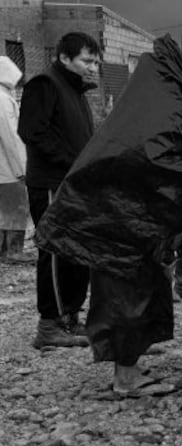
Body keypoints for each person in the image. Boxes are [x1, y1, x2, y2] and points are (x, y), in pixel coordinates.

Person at [35, 36, 182, 394]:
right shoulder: (169, 98)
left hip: (129, 211)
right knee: (124, 290)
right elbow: (161, 157)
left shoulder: (168, 91)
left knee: (141, 285)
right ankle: (125, 378)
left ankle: (130, 364)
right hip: (119, 215)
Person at [18, 32, 100, 348]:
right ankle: (48, 327)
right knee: (55, 252)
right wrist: (72, 162)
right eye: (86, 60)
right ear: (64, 58)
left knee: (77, 253)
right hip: (52, 184)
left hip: (74, 183)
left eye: (95, 61)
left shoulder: (75, 90)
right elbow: (32, 131)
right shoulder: (45, 84)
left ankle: (70, 318)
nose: (93, 67)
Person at [0, 56, 30, 263]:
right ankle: (13, 251)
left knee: (3, 209)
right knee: (16, 207)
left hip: (3, 165)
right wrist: (21, 167)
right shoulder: (2, 100)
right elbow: (10, 136)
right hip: (7, 167)